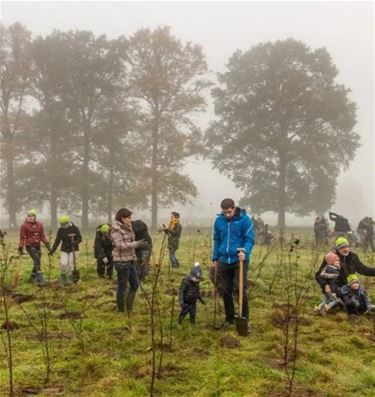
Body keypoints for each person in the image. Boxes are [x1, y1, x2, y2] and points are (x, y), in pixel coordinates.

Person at [211, 198, 255, 331]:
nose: (227, 215)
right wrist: (215, 257)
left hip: (240, 259)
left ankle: (244, 319)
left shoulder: (244, 220)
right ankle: (229, 318)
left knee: (239, 288)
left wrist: (245, 251)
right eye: (224, 213)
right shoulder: (219, 221)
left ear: (234, 208)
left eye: (229, 212)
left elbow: (250, 239)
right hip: (224, 260)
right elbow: (217, 239)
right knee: (225, 290)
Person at [110, 208, 149, 313]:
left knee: (135, 284)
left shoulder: (128, 227)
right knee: (122, 285)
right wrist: (136, 244)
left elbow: (130, 243)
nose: (130, 220)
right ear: (122, 218)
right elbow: (119, 245)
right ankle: (121, 310)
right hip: (121, 261)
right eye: (128, 217)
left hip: (131, 259)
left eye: (131, 217)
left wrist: (140, 245)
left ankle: (129, 307)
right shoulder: (115, 228)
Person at [18, 209, 50, 284]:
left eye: (32, 216)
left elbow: (42, 236)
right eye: (29, 216)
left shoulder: (40, 225)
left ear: (35, 217)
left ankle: (32, 277)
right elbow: (22, 237)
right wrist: (20, 247)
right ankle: (40, 278)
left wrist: (47, 244)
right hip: (29, 246)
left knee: (37, 261)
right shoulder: (24, 225)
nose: (30, 217)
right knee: (37, 259)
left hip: (37, 245)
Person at [49, 215, 82, 285]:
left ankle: (71, 279)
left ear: (68, 222)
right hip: (64, 249)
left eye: (64, 224)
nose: (63, 226)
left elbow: (80, 238)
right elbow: (57, 241)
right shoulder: (60, 230)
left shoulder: (75, 228)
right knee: (63, 264)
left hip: (74, 249)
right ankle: (63, 278)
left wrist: (74, 243)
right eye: (61, 224)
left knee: (71, 264)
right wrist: (52, 250)